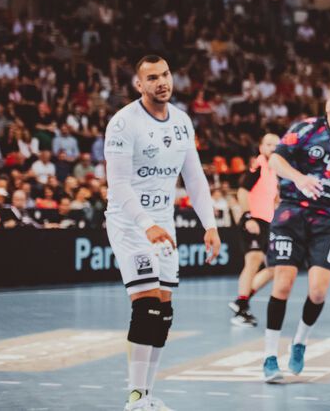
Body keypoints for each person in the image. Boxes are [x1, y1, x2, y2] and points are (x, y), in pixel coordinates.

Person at [104, 55, 221, 411]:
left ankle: (147, 395)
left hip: (163, 224)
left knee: (164, 313)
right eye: (152, 77)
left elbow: (195, 179)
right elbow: (118, 185)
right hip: (130, 222)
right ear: (139, 85)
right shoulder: (123, 123)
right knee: (147, 305)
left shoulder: (182, 121)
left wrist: (210, 225)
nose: (162, 82)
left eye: (165, 74)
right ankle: (135, 398)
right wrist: (146, 224)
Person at [261, 84, 330, 383]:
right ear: (327, 105)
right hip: (291, 213)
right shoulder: (306, 129)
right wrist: (299, 178)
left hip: (328, 219)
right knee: (283, 284)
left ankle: (299, 342)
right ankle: (270, 356)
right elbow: (275, 160)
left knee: (318, 291)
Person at [229, 132, 281, 327]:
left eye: (276, 145)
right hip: (254, 220)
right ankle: (241, 309)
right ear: (261, 148)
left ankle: (241, 301)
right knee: (253, 260)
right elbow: (243, 192)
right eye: (268, 144)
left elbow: (272, 198)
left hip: (267, 223)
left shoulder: (274, 170)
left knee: (273, 268)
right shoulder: (258, 165)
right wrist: (248, 217)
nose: (272, 148)